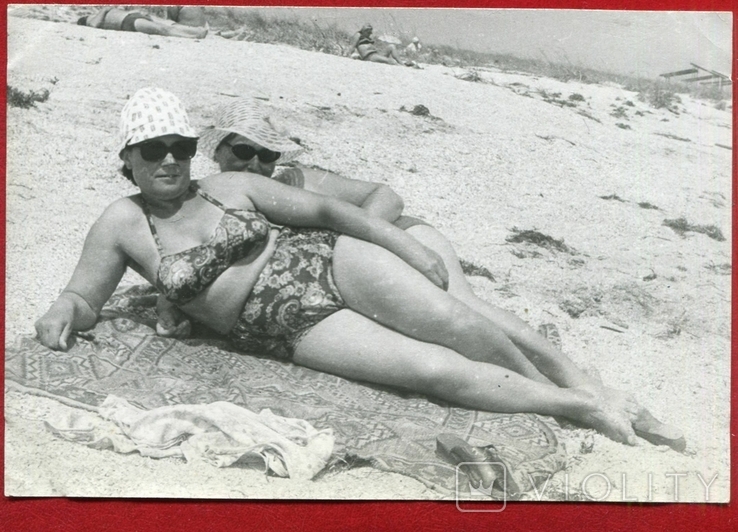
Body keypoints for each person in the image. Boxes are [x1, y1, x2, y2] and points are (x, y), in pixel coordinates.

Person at [35, 88, 682, 452]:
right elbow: (81, 296)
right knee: (433, 369)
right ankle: (575, 404)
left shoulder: (227, 183)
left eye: (179, 147)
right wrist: (65, 312)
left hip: (332, 261)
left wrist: (409, 248)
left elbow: (328, 211)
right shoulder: (120, 223)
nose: (171, 161)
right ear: (128, 156)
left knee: (455, 318)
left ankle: (588, 386)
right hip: (283, 324)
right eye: (155, 150)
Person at [77, 7, 208, 39]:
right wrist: (104, 10)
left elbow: (94, 24)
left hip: (128, 20)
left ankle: (195, 33)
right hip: (128, 19)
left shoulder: (95, 16)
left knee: (164, 29)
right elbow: (94, 25)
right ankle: (195, 33)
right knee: (163, 27)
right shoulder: (91, 18)